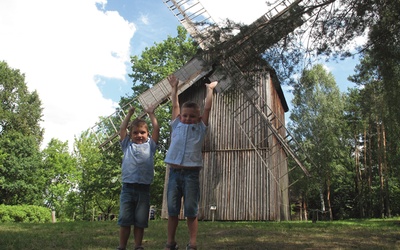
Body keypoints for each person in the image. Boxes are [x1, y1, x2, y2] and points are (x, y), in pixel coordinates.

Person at [164, 74, 218, 250]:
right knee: (172, 210)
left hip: (191, 175)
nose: (187, 118)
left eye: (191, 116)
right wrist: (175, 88)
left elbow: (207, 109)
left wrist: (209, 90)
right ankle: (170, 242)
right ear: (180, 117)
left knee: (191, 211)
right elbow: (175, 104)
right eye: (185, 116)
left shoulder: (200, 128)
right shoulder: (176, 125)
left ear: (198, 118)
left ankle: (192, 243)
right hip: (174, 173)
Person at [116, 105, 160, 250]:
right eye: (135, 133)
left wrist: (151, 114)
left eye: (142, 132)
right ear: (130, 135)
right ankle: (122, 246)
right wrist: (129, 114)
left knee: (140, 221)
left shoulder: (150, 146)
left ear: (147, 134)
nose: (139, 135)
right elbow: (122, 129)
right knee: (125, 220)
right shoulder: (127, 145)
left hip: (143, 188)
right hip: (128, 187)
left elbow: (156, 128)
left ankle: (138, 246)